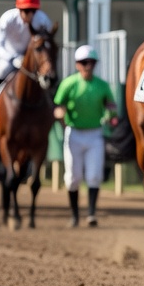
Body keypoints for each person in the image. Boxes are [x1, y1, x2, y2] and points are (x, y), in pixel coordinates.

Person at [53, 44, 119, 227]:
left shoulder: (102, 85)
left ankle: (91, 214)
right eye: (83, 62)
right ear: (77, 64)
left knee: (94, 175)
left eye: (90, 62)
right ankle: (74, 216)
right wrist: (59, 113)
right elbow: (58, 105)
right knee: (73, 177)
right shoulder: (69, 84)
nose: (87, 66)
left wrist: (112, 118)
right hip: (73, 133)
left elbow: (111, 106)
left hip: (95, 134)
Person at [0, 0, 55, 116]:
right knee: (2, 69)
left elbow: (48, 43)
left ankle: (53, 102)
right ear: (19, 9)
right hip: (9, 56)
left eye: (32, 11)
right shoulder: (8, 19)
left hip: (32, 58)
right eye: (26, 11)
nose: (29, 15)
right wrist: (13, 58)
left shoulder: (43, 20)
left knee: (48, 73)